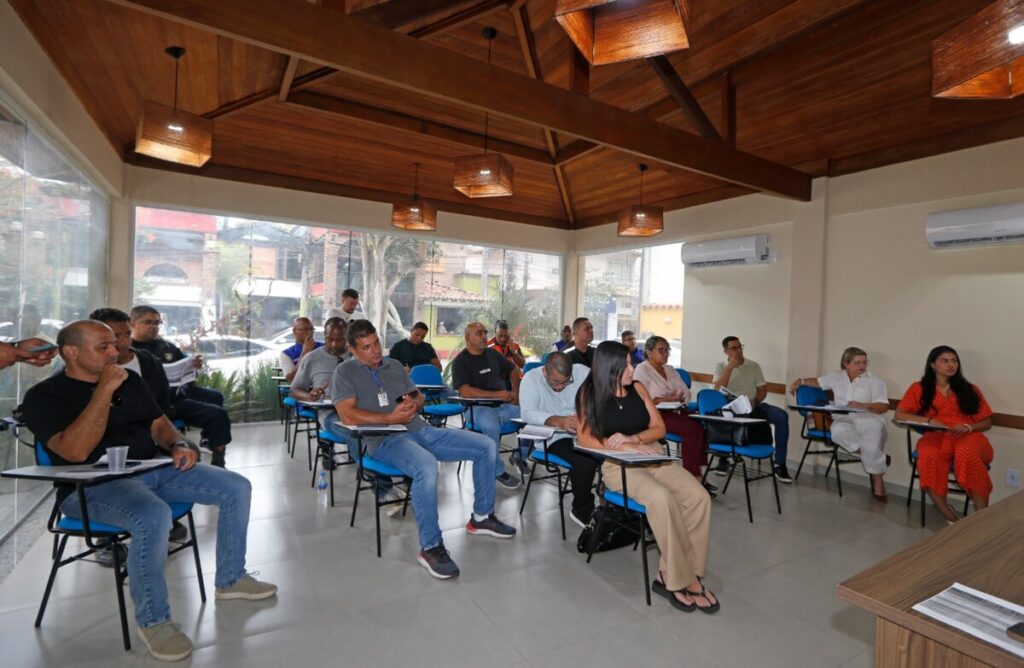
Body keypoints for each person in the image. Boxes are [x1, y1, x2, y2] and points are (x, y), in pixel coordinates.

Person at [17, 320, 276, 662]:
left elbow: (158, 423)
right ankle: (154, 621)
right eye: (104, 347)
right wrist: (103, 391)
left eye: (115, 344)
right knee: (153, 515)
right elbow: (75, 452)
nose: (115, 352)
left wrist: (177, 444)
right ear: (71, 352)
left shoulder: (130, 379)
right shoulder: (45, 396)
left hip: (151, 470)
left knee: (235, 487)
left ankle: (231, 579)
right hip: (91, 488)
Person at [332, 319, 516, 579]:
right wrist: (390, 418)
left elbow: (417, 395)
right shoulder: (345, 372)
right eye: (366, 347)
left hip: (420, 429)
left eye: (376, 343)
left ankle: (482, 516)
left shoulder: (394, 366)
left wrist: (413, 403)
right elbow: (347, 414)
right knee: (426, 465)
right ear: (352, 349)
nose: (375, 351)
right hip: (384, 439)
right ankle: (430, 546)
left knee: (485, 445)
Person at [576, 341, 718, 614]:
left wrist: (635, 439)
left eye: (631, 363)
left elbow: (659, 428)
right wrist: (627, 447)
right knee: (662, 498)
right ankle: (682, 580)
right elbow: (585, 439)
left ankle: (678, 573)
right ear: (610, 368)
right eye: (627, 365)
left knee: (698, 497)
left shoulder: (638, 388)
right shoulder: (589, 393)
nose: (633, 369)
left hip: (651, 456)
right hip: (618, 465)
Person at [895, 345, 994, 524]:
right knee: (928, 456)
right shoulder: (919, 388)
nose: (951, 365)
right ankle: (951, 517)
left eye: (954, 361)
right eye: (945, 361)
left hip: (969, 436)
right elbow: (900, 415)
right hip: (936, 436)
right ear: (933, 364)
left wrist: (969, 427)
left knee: (966, 453)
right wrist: (928, 421)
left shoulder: (970, 389)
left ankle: (982, 519)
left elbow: (987, 422)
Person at [129, 306, 232, 468]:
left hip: (176, 397)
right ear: (133, 323)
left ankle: (218, 457)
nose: (153, 326)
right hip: (149, 403)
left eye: (157, 323)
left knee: (217, 410)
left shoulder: (167, 347)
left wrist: (192, 367)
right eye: (148, 322)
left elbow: (186, 373)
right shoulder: (128, 350)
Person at [790, 346, 890, 501]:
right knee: (837, 433)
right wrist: (800, 381)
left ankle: (878, 483)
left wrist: (863, 405)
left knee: (872, 435)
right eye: (857, 363)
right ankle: (874, 455)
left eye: (864, 362)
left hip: (868, 419)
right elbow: (817, 382)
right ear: (846, 364)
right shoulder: (836, 377)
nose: (862, 366)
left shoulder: (875, 382)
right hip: (843, 419)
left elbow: (883, 407)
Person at [518, 351, 599, 525]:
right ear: (545, 372)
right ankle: (582, 510)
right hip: (552, 437)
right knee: (585, 461)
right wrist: (558, 421)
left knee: (612, 455)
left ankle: (611, 506)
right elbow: (527, 413)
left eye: (566, 381)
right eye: (556, 382)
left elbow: (598, 397)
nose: (562, 387)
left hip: (583, 431)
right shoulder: (531, 380)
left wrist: (585, 418)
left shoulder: (582, 372)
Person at [450, 322, 521, 489]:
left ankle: (520, 455)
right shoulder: (460, 361)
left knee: (532, 416)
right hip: (477, 408)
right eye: (479, 333)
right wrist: (498, 395)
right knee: (492, 426)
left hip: (503, 406)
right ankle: (496, 471)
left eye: (485, 332)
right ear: (468, 337)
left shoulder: (492, 354)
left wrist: (515, 394)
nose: (484, 336)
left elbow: (514, 370)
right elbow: (466, 392)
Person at [714, 336, 791, 483]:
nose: (739, 350)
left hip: (753, 404)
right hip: (732, 406)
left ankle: (779, 464)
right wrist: (730, 367)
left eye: (740, 347)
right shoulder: (721, 366)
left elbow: (762, 390)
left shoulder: (753, 366)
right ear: (726, 351)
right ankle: (723, 458)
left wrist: (755, 401)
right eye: (734, 348)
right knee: (723, 415)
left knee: (781, 416)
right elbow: (717, 390)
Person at [633, 336, 708, 483]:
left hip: (677, 410)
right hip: (657, 414)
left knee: (703, 425)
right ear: (649, 352)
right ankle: (692, 475)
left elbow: (686, 392)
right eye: (661, 350)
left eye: (667, 350)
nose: (665, 354)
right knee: (693, 429)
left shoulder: (670, 369)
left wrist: (678, 397)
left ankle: (700, 471)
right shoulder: (642, 370)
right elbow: (640, 398)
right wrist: (662, 399)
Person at [279, 316, 322, 383]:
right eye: (305, 329)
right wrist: (305, 353)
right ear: (294, 331)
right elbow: (291, 380)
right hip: (301, 388)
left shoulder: (323, 347)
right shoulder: (286, 354)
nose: (310, 332)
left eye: (311, 329)